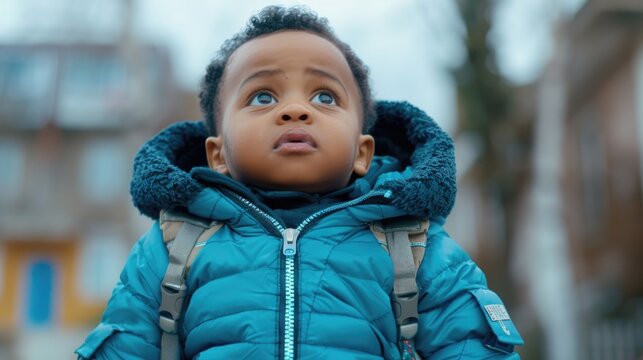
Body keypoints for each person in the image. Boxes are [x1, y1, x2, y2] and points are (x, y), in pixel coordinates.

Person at [75, 5, 523, 360]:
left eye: (324, 96)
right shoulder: (175, 244)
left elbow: (472, 348)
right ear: (219, 155)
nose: (295, 110)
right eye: (263, 96)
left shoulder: (413, 244)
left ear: (362, 153)